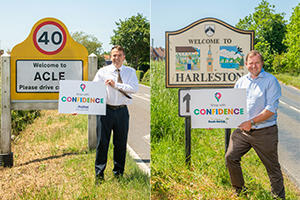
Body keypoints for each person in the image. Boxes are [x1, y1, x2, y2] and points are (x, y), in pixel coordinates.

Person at [225, 50, 285, 199]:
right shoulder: (241, 82)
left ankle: (278, 197)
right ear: (246, 64)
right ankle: (240, 192)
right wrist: (215, 121)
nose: (254, 66)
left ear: (262, 63)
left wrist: (251, 122)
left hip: (265, 132)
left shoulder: (271, 81)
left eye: (257, 62)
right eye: (251, 63)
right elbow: (232, 106)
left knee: (272, 168)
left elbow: (271, 109)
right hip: (243, 133)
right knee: (231, 157)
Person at [93, 45, 139, 183]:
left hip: (122, 111)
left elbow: (134, 88)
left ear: (124, 57)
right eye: (114, 55)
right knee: (102, 143)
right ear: (110, 57)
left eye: (119, 55)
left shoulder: (130, 72)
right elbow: (92, 90)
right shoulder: (103, 71)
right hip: (105, 111)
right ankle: (99, 176)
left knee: (120, 143)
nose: (116, 58)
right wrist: (78, 107)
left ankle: (118, 174)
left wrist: (116, 85)